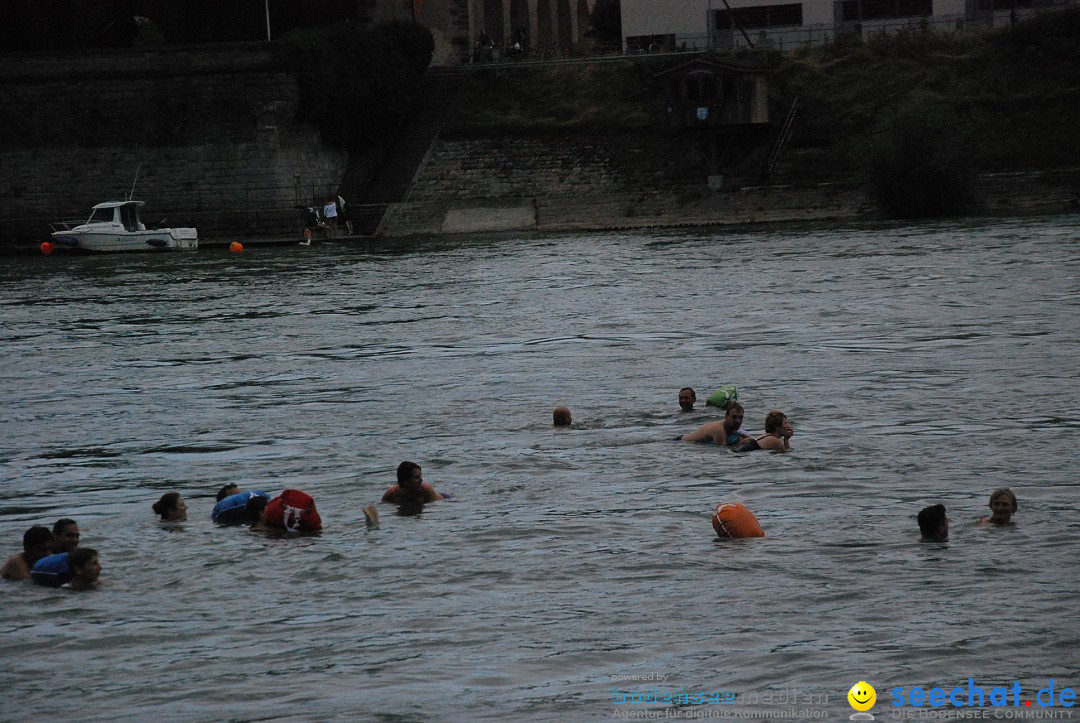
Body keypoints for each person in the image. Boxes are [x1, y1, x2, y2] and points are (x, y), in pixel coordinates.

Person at [681, 402, 749, 447]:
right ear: (726, 417)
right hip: (682, 443)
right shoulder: (719, 430)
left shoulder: (732, 429)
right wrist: (742, 443)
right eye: (734, 417)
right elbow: (723, 450)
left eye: (740, 417)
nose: (737, 421)